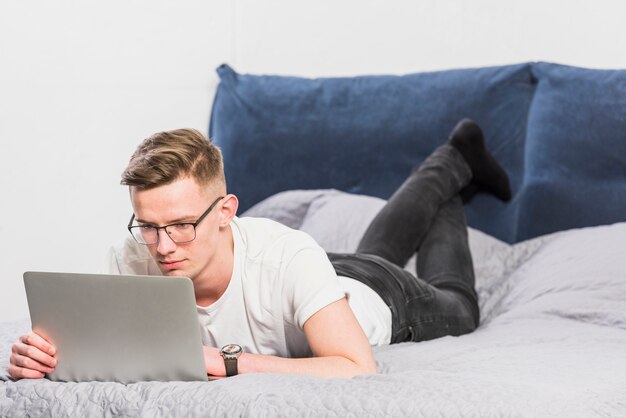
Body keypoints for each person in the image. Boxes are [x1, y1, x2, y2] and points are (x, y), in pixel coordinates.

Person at [8, 119, 511, 380]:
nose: (163, 247)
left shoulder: (286, 256)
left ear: (226, 211)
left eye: (182, 225)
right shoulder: (133, 256)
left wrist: (230, 362)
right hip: (323, 280)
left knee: (457, 301)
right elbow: (106, 348)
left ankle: (454, 169)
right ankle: (456, 161)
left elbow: (357, 366)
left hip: (380, 300)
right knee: (374, 248)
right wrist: (45, 356)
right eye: (149, 226)